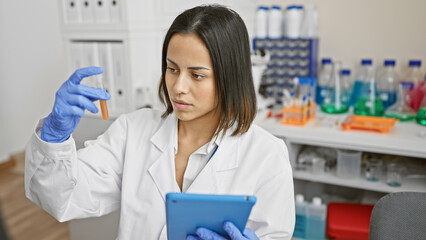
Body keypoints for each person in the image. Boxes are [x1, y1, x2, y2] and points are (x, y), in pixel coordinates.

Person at [25, 5, 295, 240]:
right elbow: (63, 198)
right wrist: (54, 137)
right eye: (172, 68)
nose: (178, 87)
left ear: (230, 77)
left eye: (197, 75)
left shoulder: (266, 154)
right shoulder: (133, 130)